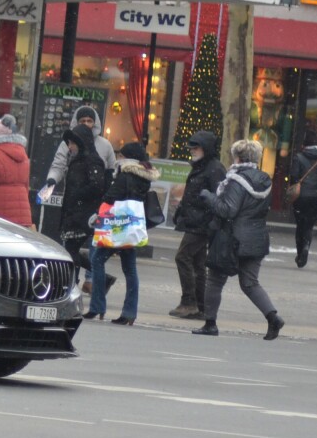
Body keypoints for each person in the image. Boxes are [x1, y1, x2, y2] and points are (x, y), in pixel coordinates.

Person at [193, 139, 284, 340]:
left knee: (215, 280)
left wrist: (209, 196)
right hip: (257, 237)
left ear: (238, 157)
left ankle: (210, 323)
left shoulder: (236, 181)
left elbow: (228, 210)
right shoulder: (264, 180)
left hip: (231, 238)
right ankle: (273, 317)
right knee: (250, 282)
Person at [87, 141, 160, 324]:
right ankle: (129, 312)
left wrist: (97, 215)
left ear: (126, 158)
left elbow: (111, 197)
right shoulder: (144, 177)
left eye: (121, 155)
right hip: (132, 228)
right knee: (130, 269)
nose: (118, 158)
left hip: (116, 227)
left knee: (96, 260)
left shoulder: (124, 175)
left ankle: (97, 306)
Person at [169, 130, 226, 319]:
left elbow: (218, 197)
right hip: (197, 221)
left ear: (206, 148)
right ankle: (201, 305)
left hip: (202, 223)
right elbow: (193, 194)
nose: (192, 150)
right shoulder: (202, 166)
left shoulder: (214, 168)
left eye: (196, 147)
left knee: (183, 257)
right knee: (198, 263)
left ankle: (189, 302)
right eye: (191, 147)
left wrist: (210, 220)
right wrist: (182, 211)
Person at [56, 123, 111, 290]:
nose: (70, 147)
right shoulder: (77, 160)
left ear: (80, 142)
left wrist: (77, 195)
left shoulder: (91, 160)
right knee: (72, 249)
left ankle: (72, 284)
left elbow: (97, 186)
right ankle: (101, 278)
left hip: (84, 214)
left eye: (72, 143)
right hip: (75, 211)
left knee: (71, 250)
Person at [44, 105, 117, 190]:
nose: (86, 124)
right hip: (73, 193)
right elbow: (58, 165)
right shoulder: (67, 143)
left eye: (89, 121)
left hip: (98, 196)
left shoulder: (105, 145)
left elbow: (113, 170)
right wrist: (52, 179)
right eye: (82, 121)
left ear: (94, 123)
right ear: (77, 122)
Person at [288, 130, 317, 269]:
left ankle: (300, 253)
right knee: (309, 226)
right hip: (316, 197)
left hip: (301, 197)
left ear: (305, 144)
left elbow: (293, 177)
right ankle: (306, 247)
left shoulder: (298, 157)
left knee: (300, 225)